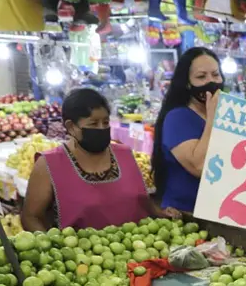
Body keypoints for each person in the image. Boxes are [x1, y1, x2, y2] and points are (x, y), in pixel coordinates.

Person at [22, 88, 177, 231]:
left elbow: (141, 201)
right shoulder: (50, 164)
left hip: (137, 251)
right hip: (81, 257)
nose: (102, 129)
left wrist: (161, 213)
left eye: (106, 122)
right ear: (71, 127)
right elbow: (31, 217)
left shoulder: (124, 155)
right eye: (93, 123)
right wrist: (51, 248)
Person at [153, 47, 223, 214]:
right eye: (201, 76)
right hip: (188, 216)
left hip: (221, 214)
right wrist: (213, 117)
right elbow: (200, 166)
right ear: (186, 82)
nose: (210, 81)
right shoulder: (177, 118)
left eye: (215, 74)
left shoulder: (230, 115)